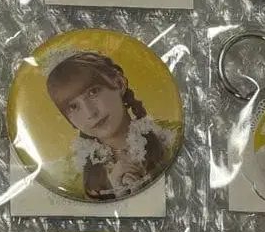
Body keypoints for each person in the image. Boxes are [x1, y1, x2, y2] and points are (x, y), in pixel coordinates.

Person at [45, 50, 176, 200]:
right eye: (74, 106)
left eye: (93, 92)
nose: (90, 113)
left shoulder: (169, 137)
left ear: (119, 83)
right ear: (68, 119)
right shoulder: (68, 174)